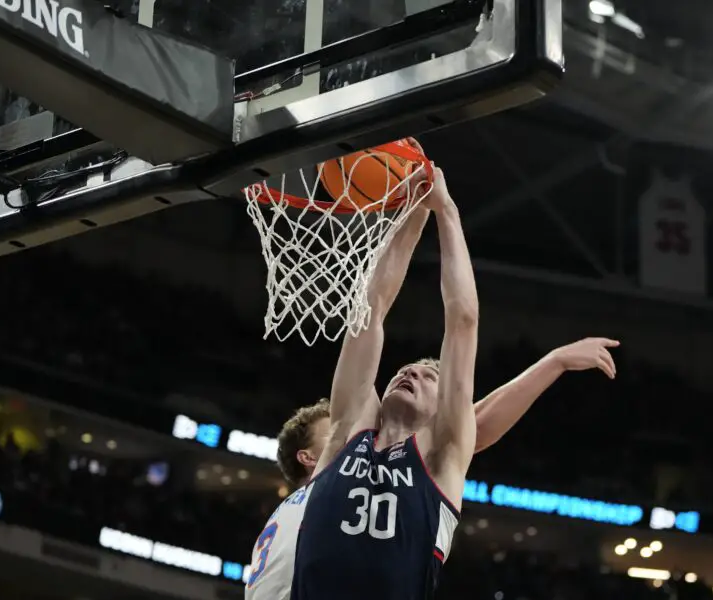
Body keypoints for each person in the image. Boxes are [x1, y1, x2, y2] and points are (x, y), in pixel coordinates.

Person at [246, 169, 618, 600]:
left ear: (445, 410)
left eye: (428, 377)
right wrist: (412, 213)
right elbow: (371, 308)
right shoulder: (347, 431)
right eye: (406, 370)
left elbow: (463, 322)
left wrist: (446, 210)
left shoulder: (442, 457)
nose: (411, 374)